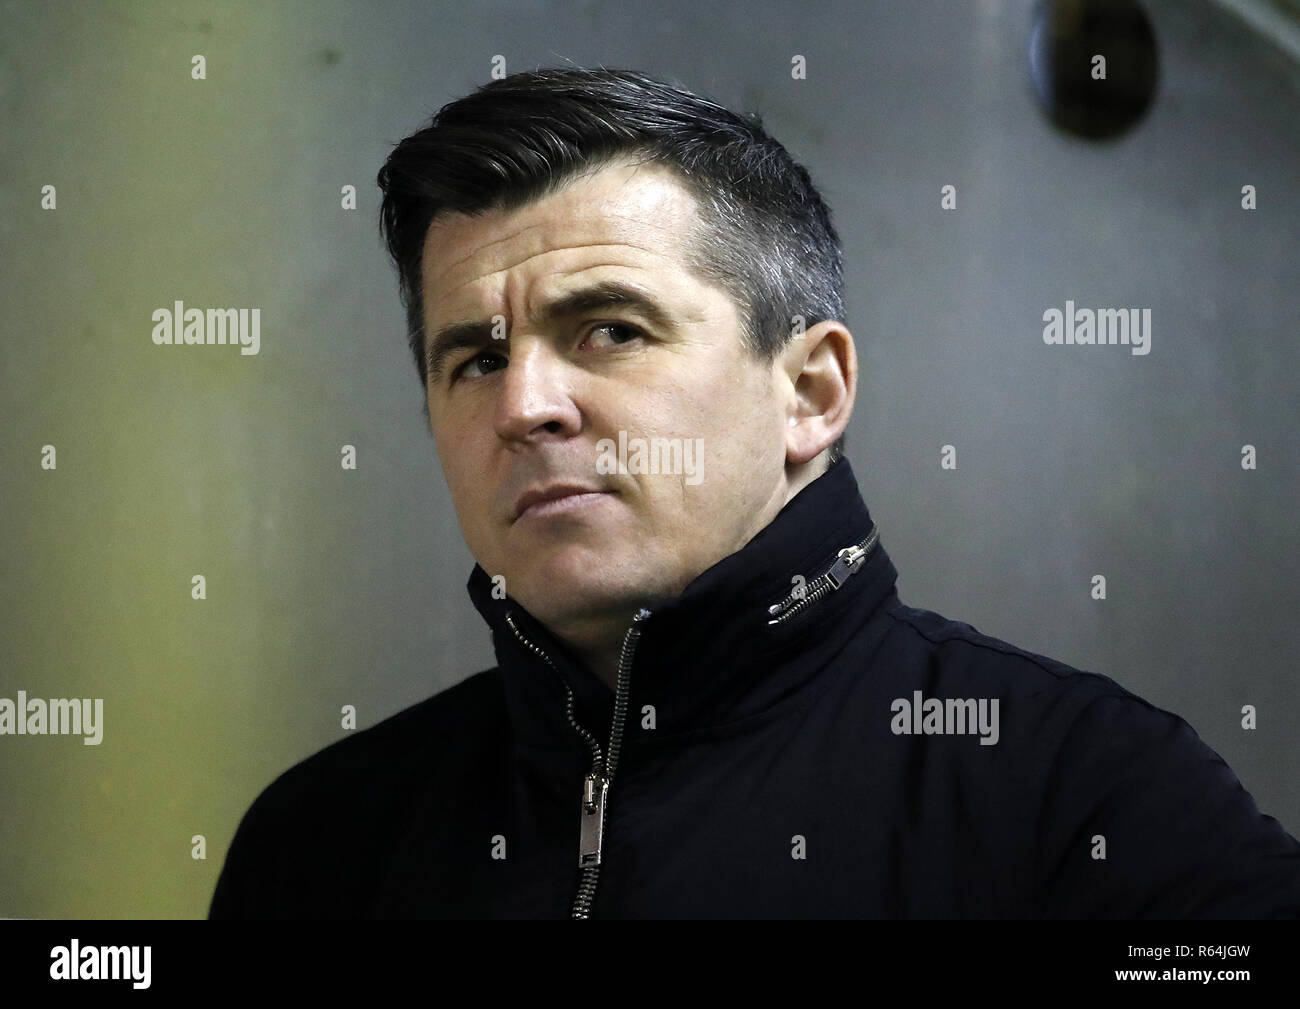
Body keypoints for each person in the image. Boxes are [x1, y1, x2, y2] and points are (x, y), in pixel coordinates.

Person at [209, 66, 1300, 918]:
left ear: (809, 391)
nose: (526, 406)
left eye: (610, 330)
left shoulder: (1086, 795)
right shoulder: (324, 840)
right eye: (476, 359)